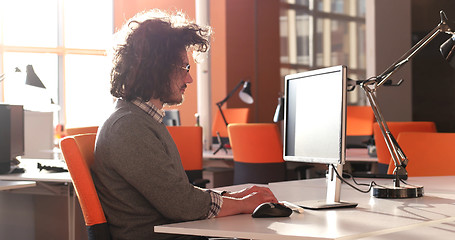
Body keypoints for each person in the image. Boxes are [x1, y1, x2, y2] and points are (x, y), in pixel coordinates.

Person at [92, 9, 279, 240]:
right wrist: (244, 204)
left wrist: (239, 197)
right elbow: (182, 204)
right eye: (184, 68)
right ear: (157, 67)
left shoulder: (140, 120)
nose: (189, 78)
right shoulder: (128, 127)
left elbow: (178, 195)